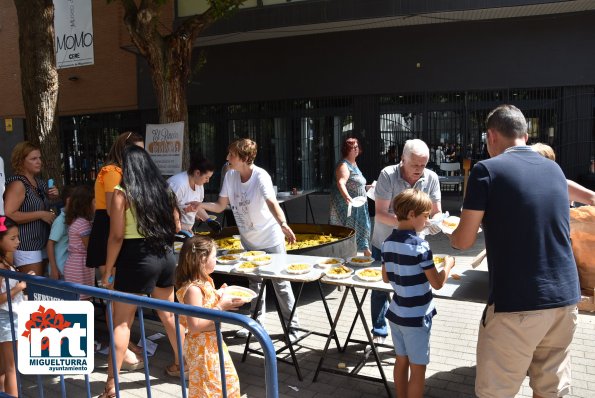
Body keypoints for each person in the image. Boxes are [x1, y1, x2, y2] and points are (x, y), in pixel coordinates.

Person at [450, 105, 580, 398]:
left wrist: (453, 234)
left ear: (491, 135)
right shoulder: (554, 169)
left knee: (496, 392)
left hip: (517, 303)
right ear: (526, 134)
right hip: (564, 301)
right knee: (552, 391)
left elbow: (464, 240)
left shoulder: (486, 170)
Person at [99, 145, 182, 398]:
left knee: (122, 322)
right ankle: (183, 363)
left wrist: (107, 270)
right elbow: (177, 225)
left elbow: (116, 236)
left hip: (136, 258)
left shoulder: (122, 193)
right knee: (169, 315)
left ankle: (112, 385)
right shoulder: (164, 190)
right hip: (165, 255)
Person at [200, 138, 301, 341]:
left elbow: (271, 202)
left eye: (232, 155)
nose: (227, 158)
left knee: (280, 283)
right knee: (254, 283)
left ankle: (293, 328)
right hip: (249, 241)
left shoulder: (260, 176)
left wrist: (283, 223)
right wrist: (199, 204)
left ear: (245, 158)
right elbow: (221, 206)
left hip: (271, 239)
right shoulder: (230, 176)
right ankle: (255, 324)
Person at [382, 189, 454, 398]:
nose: (428, 220)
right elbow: (437, 283)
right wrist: (448, 265)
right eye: (426, 216)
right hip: (416, 316)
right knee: (418, 367)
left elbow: (386, 278)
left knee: (401, 360)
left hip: (396, 313)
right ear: (412, 214)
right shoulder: (420, 245)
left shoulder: (388, 242)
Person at [370, 139, 442, 344]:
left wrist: (438, 223)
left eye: (423, 164)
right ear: (403, 159)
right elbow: (381, 213)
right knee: (380, 289)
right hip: (385, 243)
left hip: (415, 247)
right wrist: (410, 224)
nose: (420, 169)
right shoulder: (387, 175)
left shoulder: (431, 178)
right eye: (415, 165)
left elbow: (436, 213)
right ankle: (379, 330)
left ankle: (407, 334)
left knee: (412, 289)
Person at [175, 236, 243, 398]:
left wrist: (219, 293)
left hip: (212, 343)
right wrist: (221, 307)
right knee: (210, 389)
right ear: (202, 259)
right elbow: (195, 325)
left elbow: (205, 305)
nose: (217, 260)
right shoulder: (193, 290)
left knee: (228, 384)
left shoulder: (204, 282)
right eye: (214, 256)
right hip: (202, 348)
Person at [86, 132, 143, 271]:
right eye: (137, 150)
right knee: (113, 285)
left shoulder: (123, 171)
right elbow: (112, 210)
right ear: (124, 150)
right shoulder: (113, 171)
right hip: (109, 228)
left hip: (117, 226)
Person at [4, 141, 59, 277]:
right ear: (21, 161)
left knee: (43, 289)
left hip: (43, 243)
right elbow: (9, 214)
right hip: (26, 245)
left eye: (39, 158)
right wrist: (40, 214)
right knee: (33, 290)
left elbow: (45, 208)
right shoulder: (18, 184)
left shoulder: (39, 183)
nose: (39, 162)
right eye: (33, 159)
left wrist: (54, 197)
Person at [329, 137, 372, 256]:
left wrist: (369, 187)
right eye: (353, 147)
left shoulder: (354, 164)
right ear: (346, 149)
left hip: (359, 206)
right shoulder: (344, 165)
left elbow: (357, 184)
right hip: (348, 208)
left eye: (357, 146)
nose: (356, 149)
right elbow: (341, 182)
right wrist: (347, 197)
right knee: (348, 232)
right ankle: (350, 257)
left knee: (364, 229)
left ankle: (365, 255)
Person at [0, 216, 28, 397]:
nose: (17, 241)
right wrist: (18, 289)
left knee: (4, 366)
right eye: (12, 238)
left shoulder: (6, 261)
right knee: (11, 367)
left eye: (17, 237)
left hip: (11, 317)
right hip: (6, 319)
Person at [167, 155, 220, 233]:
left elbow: (198, 206)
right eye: (206, 177)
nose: (208, 181)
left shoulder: (199, 185)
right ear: (197, 173)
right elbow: (165, 209)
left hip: (186, 229)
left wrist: (209, 220)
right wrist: (178, 226)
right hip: (170, 230)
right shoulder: (178, 184)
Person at [63, 185, 95, 299]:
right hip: (80, 266)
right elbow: (90, 247)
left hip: (75, 263)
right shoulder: (83, 223)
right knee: (83, 299)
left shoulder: (76, 220)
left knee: (78, 299)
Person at [47, 185, 74, 280]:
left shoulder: (71, 219)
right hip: (59, 271)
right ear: (69, 200)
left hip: (65, 269)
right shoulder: (60, 221)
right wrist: (54, 269)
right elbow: (50, 244)